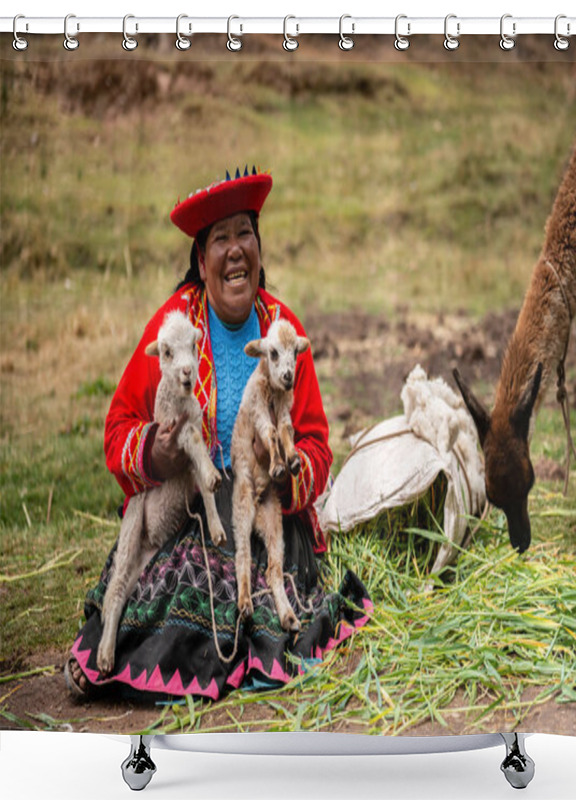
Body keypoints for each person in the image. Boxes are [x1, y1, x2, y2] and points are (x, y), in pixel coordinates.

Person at [65, 167, 371, 701]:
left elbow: (319, 448)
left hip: (266, 505)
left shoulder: (283, 331)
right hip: (192, 512)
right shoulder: (174, 328)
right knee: (184, 581)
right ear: (201, 260)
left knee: (258, 576)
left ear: (259, 248)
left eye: (245, 234)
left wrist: (280, 466)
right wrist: (157, 454)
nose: (235, 251)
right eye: (220, 238)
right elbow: (117, 433)